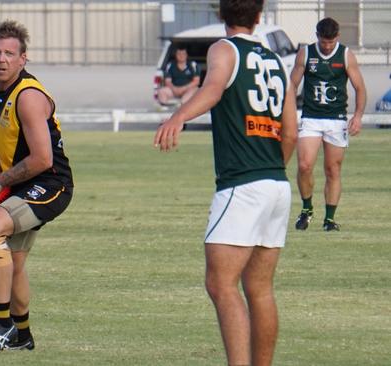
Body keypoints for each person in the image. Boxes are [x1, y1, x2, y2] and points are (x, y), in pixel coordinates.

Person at [154, 0, 297, 365]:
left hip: (243, 185)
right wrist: (270, 169)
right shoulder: (276, 62)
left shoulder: (224, 48)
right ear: (260, 15)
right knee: (259, 288)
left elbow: (214, 88)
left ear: (220, 14)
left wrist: (177, 117)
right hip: (277, 185)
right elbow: (291, 132)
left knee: (220, 284)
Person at [0, 20, 74, 355]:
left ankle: (0, 325)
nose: (2, 59)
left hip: (50, 183)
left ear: (23, 59)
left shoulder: (28, 97)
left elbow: (43, 159)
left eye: (10, 54)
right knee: (12, 260)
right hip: (23, 182)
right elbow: (6, 138)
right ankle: (22, 334)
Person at [290, 17, 366, 232]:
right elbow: (292, 85)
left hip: (336, 120)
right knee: (304, 165)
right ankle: (307, 209)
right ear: (317, 37)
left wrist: (358, 116)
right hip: (311, 118)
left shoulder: (345, 55)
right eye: (324, 42)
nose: (327, 46)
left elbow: (360, 87)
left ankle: (329, 219)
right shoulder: (306, 54)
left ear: (337, 38)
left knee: (333, 170)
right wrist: (286, 113)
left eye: (331, 42)